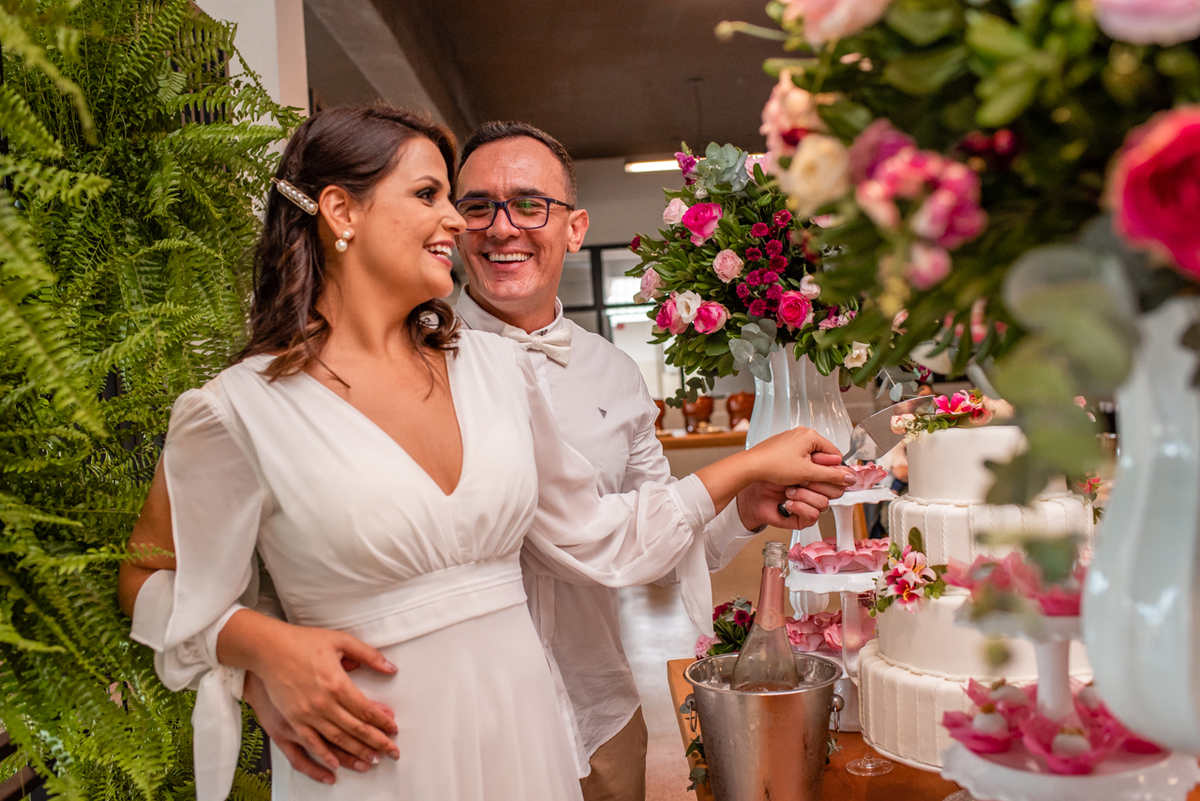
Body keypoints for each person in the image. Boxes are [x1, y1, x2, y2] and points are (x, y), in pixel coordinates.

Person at [118, 105, 854, 801]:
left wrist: (744, 474)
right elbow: (151, 578)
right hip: (374, 750)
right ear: (341, 212)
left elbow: (605, 535)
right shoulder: (234, 409)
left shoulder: (498, 371)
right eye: (436, 195)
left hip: (526, 727)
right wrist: (258, 650)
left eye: (467, 198)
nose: (460, 222)